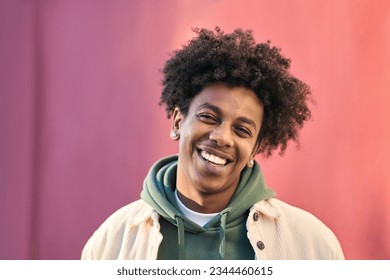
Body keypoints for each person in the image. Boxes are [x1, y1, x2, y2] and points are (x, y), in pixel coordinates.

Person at [81, 27, 344, 260]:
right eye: (208, 117)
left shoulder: (313, 246)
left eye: (242, 130)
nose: (222, 137)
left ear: (255, 148)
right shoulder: (110, 244)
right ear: (177, 122)